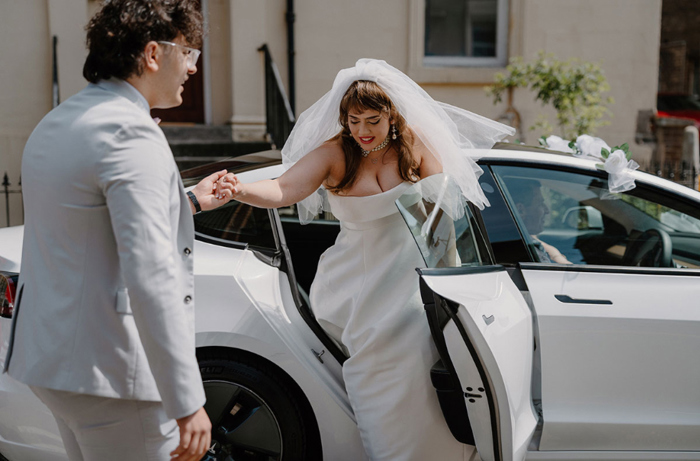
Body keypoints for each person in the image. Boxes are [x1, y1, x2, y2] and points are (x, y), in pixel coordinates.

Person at [218, 59, 514, 460]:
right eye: (353, 120)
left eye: (371, 120)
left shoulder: (415, 146)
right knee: (377, 364)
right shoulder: (334, 154)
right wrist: (240, 190)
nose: (361, 131)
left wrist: (453, 284)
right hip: (357, 286)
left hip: (411, 283)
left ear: (392, 115)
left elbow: (442, 222)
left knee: (421, 365)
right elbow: (284, 188)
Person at [3, 1, 235, 459]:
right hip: (114, 374)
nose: (191, 68)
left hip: (54, 363)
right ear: (153, 54)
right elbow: (150, 273)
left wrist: (187, 202)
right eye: (188, 53)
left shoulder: (59, 120)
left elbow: (89, 221)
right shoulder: (130, 134)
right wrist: (186, 400)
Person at [507, 178, 572, 264]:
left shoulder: (511, 239)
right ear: (520, 210)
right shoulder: (528, 253)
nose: (547, 211)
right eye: (540, 204)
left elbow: (530, 237)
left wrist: (555, 254)